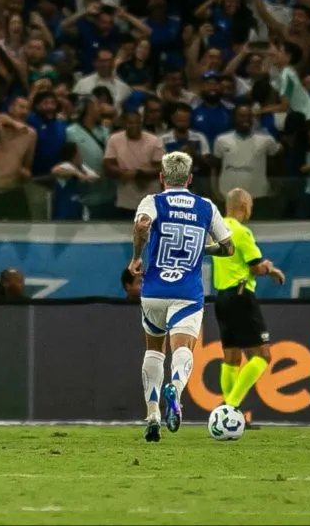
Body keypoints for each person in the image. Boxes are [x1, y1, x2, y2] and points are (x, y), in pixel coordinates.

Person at [128, 151, 234, 442]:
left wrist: (137, 257)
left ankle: (152, 415)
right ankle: (175, 386)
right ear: (189, 178)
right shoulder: (206, 206)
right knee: (183, 347)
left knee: (153, 350)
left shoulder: (153, 201)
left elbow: (141, 226)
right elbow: (228, 247)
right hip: (187, 293)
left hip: (154, 291)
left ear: (162, 178)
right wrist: (203, 248)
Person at [212, 188, 285, 422]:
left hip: (221, 298)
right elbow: (255, 266)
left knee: (231, 358)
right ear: (244, 206)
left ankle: (229, 416)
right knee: (263, 355)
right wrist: (270, 269)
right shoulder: (242, 232)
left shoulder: (216, 231)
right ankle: (230, 408)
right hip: (241, 296)